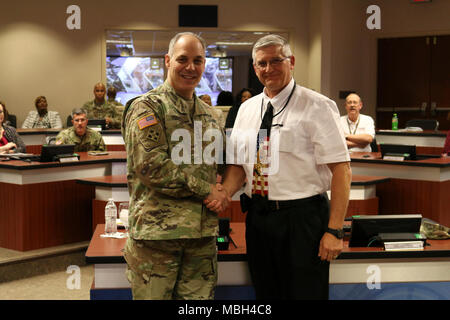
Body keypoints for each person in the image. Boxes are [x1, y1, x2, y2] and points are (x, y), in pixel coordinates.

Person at [207, 34, 351, 299]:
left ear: (291, 62)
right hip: (259, 220)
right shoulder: (246, 110)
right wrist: (225, 192)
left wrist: (334, 230)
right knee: (266, 294)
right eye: (262, 63)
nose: (268, 68)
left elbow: (342, 170)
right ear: (254, 68)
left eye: (276, 60)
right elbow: (240, 167)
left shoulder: (318, 106)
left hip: (303, 220)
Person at [121, 32, 229, 300]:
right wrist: (207, 190)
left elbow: (219, 165)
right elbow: (151, 167)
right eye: (183, 59)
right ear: (168, 60)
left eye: (198, 60)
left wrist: (222, 191)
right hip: (156, 238)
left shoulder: (211, 115)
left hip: (202, 238)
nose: (190, 67)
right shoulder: (148, 107)